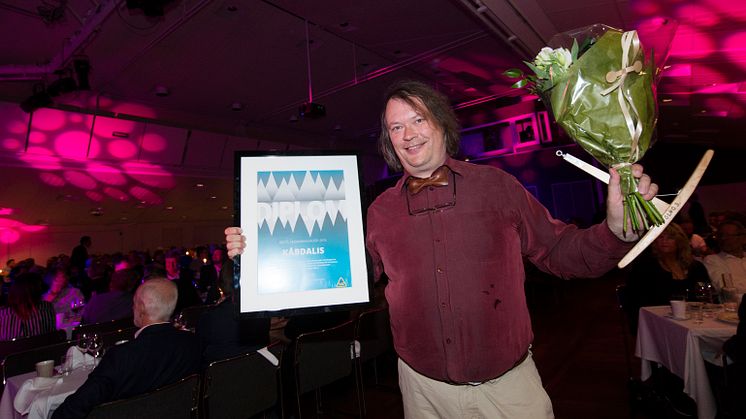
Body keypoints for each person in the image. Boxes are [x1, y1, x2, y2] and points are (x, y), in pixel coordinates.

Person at [225, 80, 658, 418]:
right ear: (388, 141)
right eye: (396, 127)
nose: (408, 134)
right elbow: (335, 278)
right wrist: (260, 257)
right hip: (421, 391)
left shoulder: (497, 188)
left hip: (508, 390)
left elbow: (561, 252)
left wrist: (615, 230)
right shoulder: (379, 211)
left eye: (418, 119)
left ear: (441, 124)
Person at [51, 278, 201, 419]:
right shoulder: (192, 342)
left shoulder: (121, 356)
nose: (132, 307)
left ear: (141, 307)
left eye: (134, 302)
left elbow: (79, 405)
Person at [625, 223, 711, 332]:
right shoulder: (645, 266)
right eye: (660, 237)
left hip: (695, 320)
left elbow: (707, 296)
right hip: (658, 321)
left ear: (679, 241)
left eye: (670, 238)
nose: (664, 241)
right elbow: (637, 300)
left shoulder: (696, 267)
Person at [195, 264, 270, 368]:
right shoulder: (261, 312)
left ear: (220, 284)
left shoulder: (209, 318)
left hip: (221, 378)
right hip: (259, 371)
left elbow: (200, 351)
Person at [0, 273, 55, 340]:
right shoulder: (47, 307)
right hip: (42, 349)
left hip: (13, 350)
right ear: (38, 290)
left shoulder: (3, 313)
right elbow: (51, 336)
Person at [703, 219, 746, 295]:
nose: (723, 238)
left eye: (729, 236)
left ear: (743, 238)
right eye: (720, 235)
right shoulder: (712, 260)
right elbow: (726, 288)